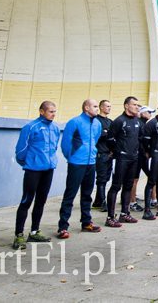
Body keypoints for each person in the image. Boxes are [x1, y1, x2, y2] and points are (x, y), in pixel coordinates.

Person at [12, 101, 61, 249]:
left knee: (41, 201)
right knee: (26, 201)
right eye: (50, 111)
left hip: (48, 170)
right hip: (33, 170)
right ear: (41, 111)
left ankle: (34, 232)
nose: (53, 114)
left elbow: (54, 147)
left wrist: (51, 162)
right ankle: (18, 236)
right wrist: (30, 163)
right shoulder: (30, 127)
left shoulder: (55, 128)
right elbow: (20, 151)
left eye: (54, 111)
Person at [57, 99, 103, 238]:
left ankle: (86, 222)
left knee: (87, 194)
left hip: (91, 163)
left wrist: (92, 154)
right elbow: (65, 144)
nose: (97, 109)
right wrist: (72, 157)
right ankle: (63, 227)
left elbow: (95, 140)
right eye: (95, 106)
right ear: (86, 108)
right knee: (70, 195)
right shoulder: (74, 122)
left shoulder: (97, 123)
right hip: (77, 163)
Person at [104, 96, 142, 227]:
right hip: (122, 158)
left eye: (138, 105)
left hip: (134, 158)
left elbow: (139, 139)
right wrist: (117, 151)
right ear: (126, 106)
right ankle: (110, 217)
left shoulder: (137, 121)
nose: (137, 107)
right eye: (134, 105)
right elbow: (109, 139)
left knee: (128, 186)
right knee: (116, 186)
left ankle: (124, 214)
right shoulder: (119, 121)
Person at [92, 100, 113, 211]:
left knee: (105, 178)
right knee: (101, 178)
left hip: (109, 154)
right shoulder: (96, 121)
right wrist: (106, 133)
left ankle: (97, 201)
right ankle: (102, 201)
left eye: (110, 106)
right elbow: (98, 135)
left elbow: (114, 135)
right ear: (101, 107)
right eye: (107, 106)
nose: (109, 108)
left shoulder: (110, 121)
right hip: (100, 153)